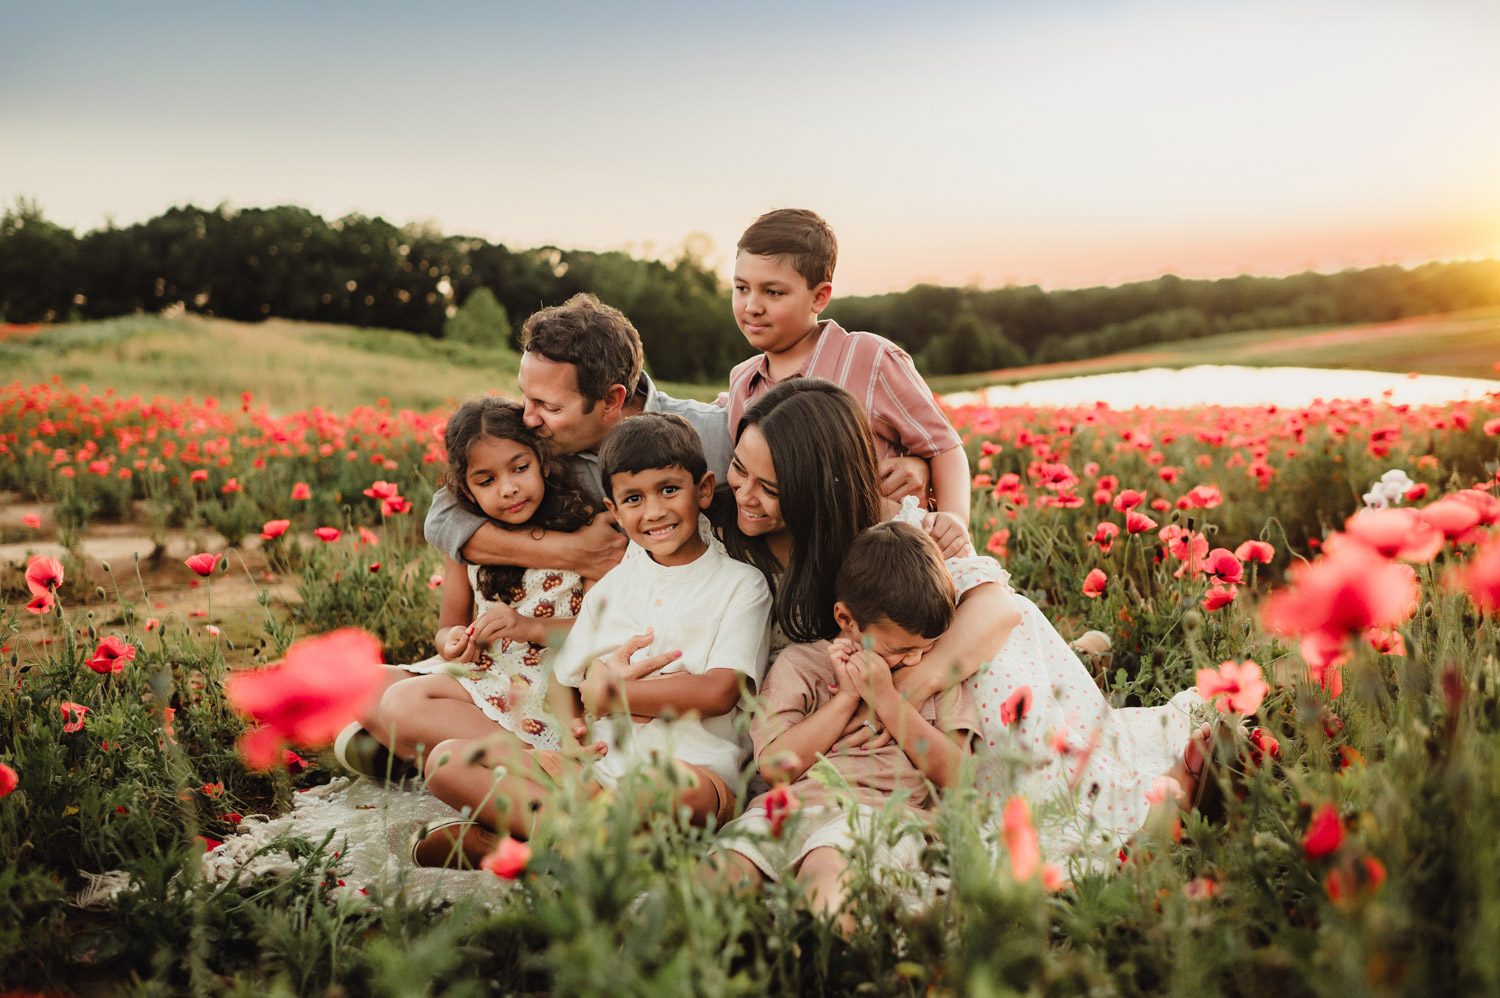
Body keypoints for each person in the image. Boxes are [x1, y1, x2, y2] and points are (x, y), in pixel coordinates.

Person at [723, 378, 1202, 862]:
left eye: (770, 489)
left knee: (993, 660)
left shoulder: (891, 531)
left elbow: (1000, 607)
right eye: (739, 469)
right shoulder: (725, 532)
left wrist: (902, 689)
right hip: (817, 710)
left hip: (921, 706)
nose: (744, 492)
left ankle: (1112, 809)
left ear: (818, 493)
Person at [416, 413, 772, 866]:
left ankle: (532, 847)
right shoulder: (613, 588)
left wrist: (616, 694)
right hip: (599, 770)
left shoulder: (741, 585)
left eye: (669, 490)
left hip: (689, 774)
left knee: (668, 794)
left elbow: (722, 691)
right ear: (615, 509)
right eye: (633, 498)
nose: (654, 511)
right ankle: (575, 844)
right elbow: (567, 677)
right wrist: (572, 735)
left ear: (702, 490)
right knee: (447, 761)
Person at [711, 521, 977, 931]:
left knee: (827, 868)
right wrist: (847, 698)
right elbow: (776, 768)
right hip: (784, 810)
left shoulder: (934, 679)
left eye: (926, 649)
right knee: (726, 871)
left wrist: (888, 700)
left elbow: (958, 774)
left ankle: (819, 953)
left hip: (876, 816)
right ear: (846, 619)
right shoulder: (799, 666)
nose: (914, 661)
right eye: (900, 649)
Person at [337, 397, 596, 777]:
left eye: (519, 468)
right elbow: (446, 628)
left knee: (402, 707)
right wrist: (455, 641)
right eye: (486, 480)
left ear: (542, 461)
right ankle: (475, 761)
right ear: (467, 490)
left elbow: (600, 634)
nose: (508, 489)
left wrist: (529, 627)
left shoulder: (584, 528)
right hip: (486, 672)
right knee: (363, 684)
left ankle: (538, 763)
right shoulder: (471, 539)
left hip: (549, 686)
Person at [423, 292, 734, 581]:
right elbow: (443, 517)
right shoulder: (539, 444)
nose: (528, 418)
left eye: (547, 405)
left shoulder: (713, 435)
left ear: (611, 400)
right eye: (525, 396)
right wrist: (570, 552)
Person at [726, 208, 972, 521]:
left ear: (819, 297)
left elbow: (943, 447)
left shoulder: (868, 358)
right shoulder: (742, 381)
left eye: (773, 292)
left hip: (883, 551)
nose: (752, 306)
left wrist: (953, 519)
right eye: (741, 288)